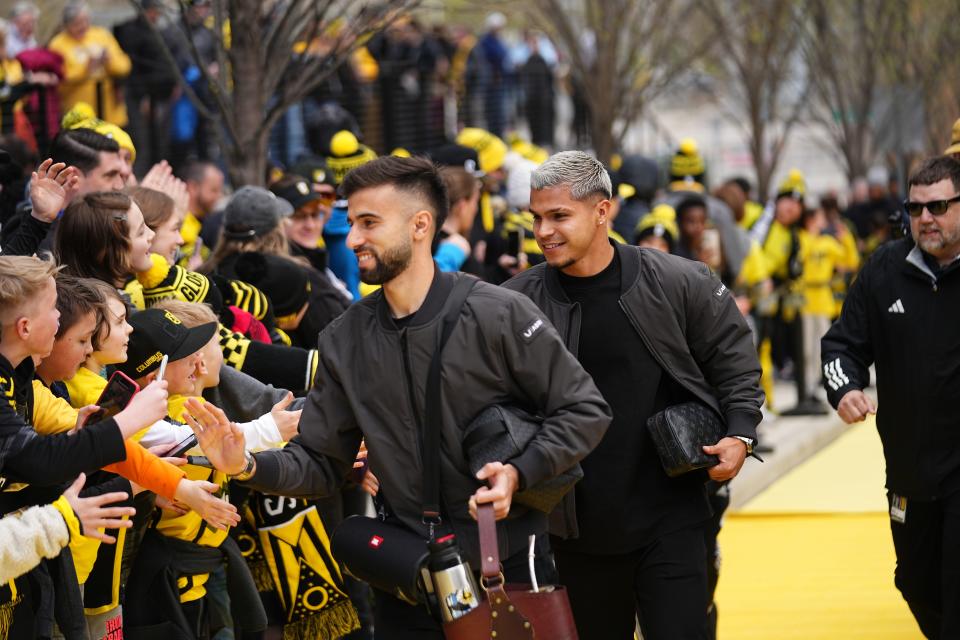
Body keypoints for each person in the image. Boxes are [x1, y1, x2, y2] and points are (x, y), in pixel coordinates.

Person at [189, 155, 611, 638]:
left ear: (420, 225)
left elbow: (584, 409)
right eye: (351, 224)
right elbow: (323, 464)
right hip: (406, 575)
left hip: (506, 563)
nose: (352, 240)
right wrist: (246, 464)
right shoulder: (343, 338)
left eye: (369, 223)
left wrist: (520, 471)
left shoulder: (500, 313)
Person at [503, 151, 763, 640]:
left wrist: (742, 435)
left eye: (559, 216)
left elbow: (735, 360)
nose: (543, 231)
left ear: (603, 211)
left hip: (674, 518)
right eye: (536, 217)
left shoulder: (678, 280)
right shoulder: (515, 303)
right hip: (573, 531)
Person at [821, 155, 960, 639]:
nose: (925, 218)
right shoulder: (884, 270)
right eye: (916, 207)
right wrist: (845, 388)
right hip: (910, 468)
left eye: (939, 206)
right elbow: (841, 344)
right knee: (917, 584)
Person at [48, 1, 131, 126]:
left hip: (110, 114)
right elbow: (59, 78)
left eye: (85, 21)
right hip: (79, 117)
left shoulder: (102, 35)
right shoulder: (58, 44)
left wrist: (109, 61)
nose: (83, 26)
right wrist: (86, 68)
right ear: (66, 25)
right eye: (76, 23)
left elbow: (125, 66)